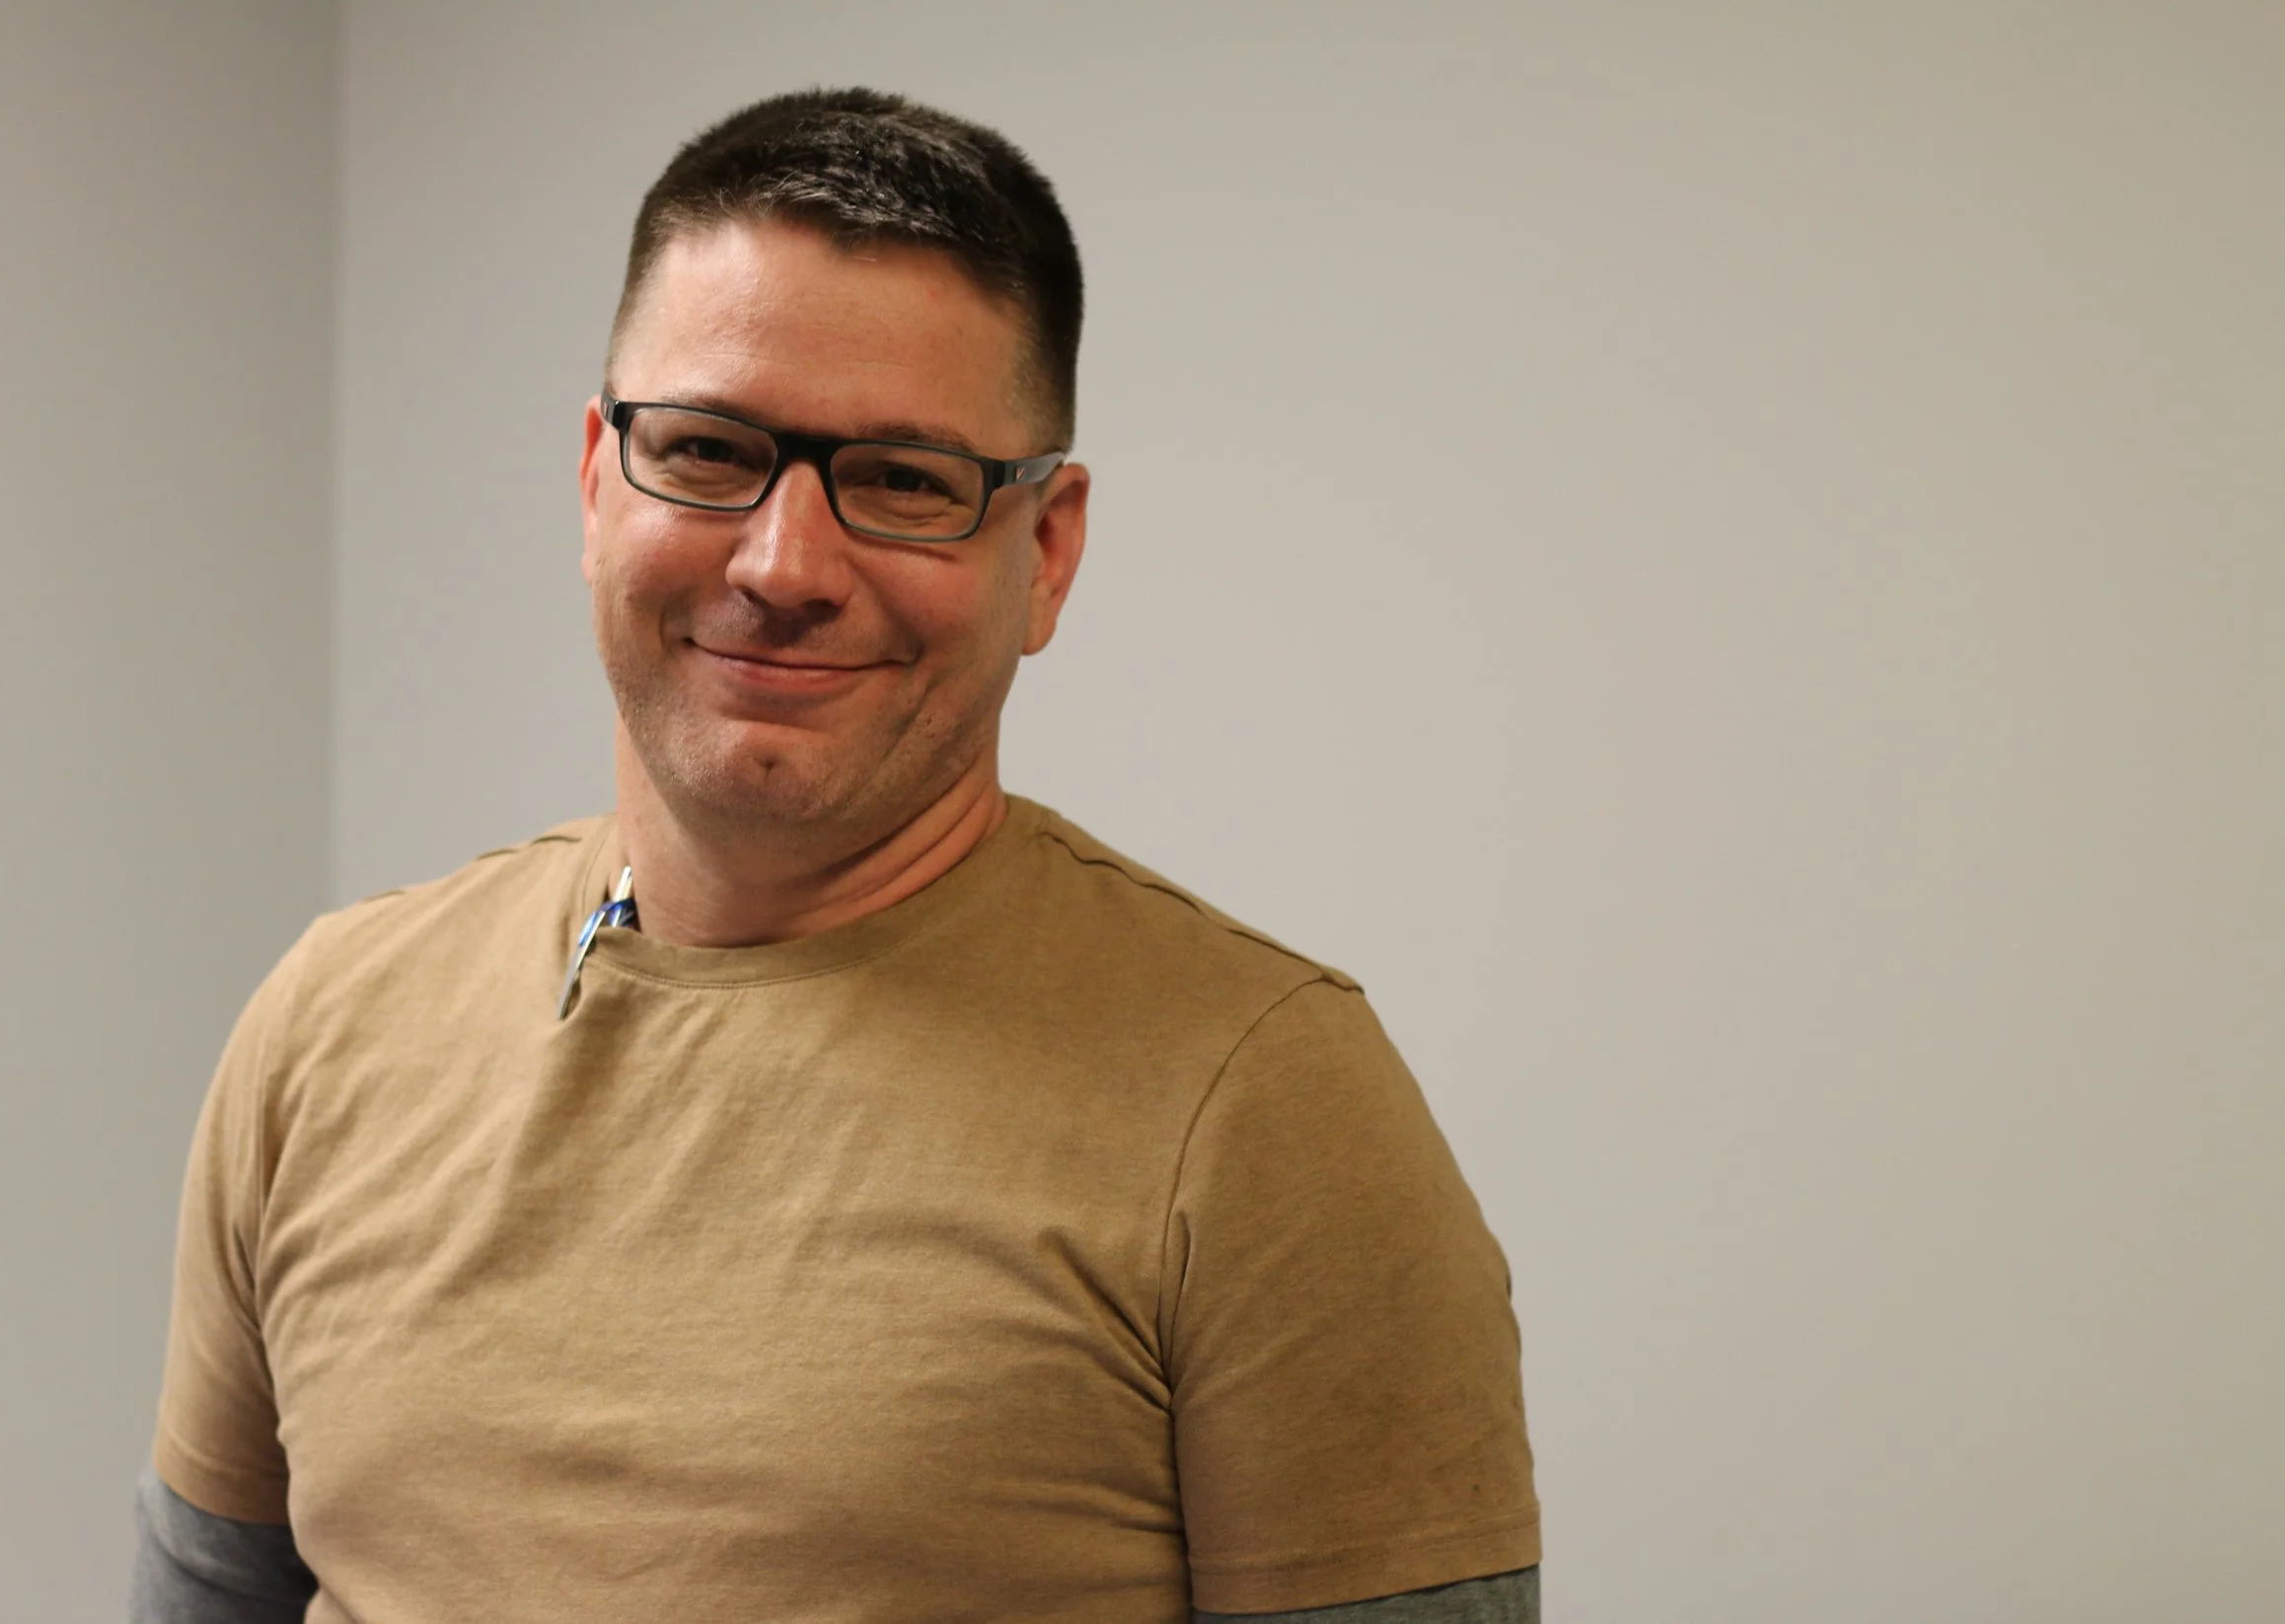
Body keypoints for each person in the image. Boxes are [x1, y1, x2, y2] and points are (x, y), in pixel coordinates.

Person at [133, 88, 1539, 1624]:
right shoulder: (327, 1025)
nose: (784, 564)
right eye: (707, 449)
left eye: (904, 480)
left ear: (1046, 548)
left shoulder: (1266, 1110)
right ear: (598, 480)